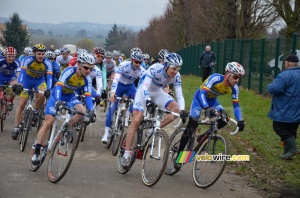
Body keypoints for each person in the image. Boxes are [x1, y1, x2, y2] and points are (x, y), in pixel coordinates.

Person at [174, 61, 246, 169]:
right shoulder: (215, 78)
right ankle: (179, 157)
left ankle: (203, 137)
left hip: (213, 102)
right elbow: (202, 93)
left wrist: (240, 120)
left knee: (224, 118)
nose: (237, 80)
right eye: (235, 77)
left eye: (239, 78)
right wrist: (207, 108)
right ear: (228, 74)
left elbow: (236, 105)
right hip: (199, 99)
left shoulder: (234, 88)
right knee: (192, 125)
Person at [120, 52, 187, 169]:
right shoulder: (155, 68)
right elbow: (145, 87)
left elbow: (180, 95)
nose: (176, 71)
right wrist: (147, 100)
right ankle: (126, 154)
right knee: (136, 120)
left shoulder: (177, 76)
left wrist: (182, 110)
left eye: (178, 69)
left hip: (157, 92)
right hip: (143, 92)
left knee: (175, 110)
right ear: (166, 65)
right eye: (174, 68)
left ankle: (153, 129)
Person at [31, 51, 96, 165]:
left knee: (82, 111)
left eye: (91, 68)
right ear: (79, 65)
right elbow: (59, 87)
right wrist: (58, 101)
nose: (88, 71)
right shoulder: (68, 71)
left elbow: (88, 97)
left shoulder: (87, 79)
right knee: (49, 121)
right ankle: (36, 150)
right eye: (86, 67)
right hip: (57, 95)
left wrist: (91, 111)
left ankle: (66, 127)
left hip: (70, 97)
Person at [102, 50, 145, 143]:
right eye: (136, 62)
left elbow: (143, 85)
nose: (138, 64)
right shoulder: (124, 65)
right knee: (112, 107)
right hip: (119, 86)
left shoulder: (141, 70)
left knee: (138, 100)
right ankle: (106, 133)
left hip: (130, 87)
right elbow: (116, 79)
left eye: (140, 62)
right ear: (132, 60)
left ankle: (128, 113)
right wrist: (113, 92)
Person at [12, 44, 53, 140]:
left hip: (39, 81)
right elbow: (22, 73)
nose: (41, 56)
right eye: (39, 54)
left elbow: (50, 77)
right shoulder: (28, 60)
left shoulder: (47, 63)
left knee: (43, 95)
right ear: (34, 53)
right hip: (27, 80)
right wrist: (19, 84)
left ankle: (34, 111)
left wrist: (49, 89)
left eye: (43, 54)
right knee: (22, 103)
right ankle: (16, 127)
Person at [267, 54, 300, 160]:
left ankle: (293, 148)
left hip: (285, 107)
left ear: (287, 63)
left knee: (278, 127)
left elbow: (274, 89)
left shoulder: (285, 75)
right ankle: (288, 153)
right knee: (291, 130)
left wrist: (269, 86)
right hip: (297, 108)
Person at [0, 46, 21, 111]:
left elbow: (18, 74)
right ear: (5, 55)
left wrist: (18, 83)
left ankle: (10, 101)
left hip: (11, 77)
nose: (11, 58)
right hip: (1, 76)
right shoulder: (1, 60)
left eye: (13, 56)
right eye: (9, 56)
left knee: (13, 87)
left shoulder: (17, 62)